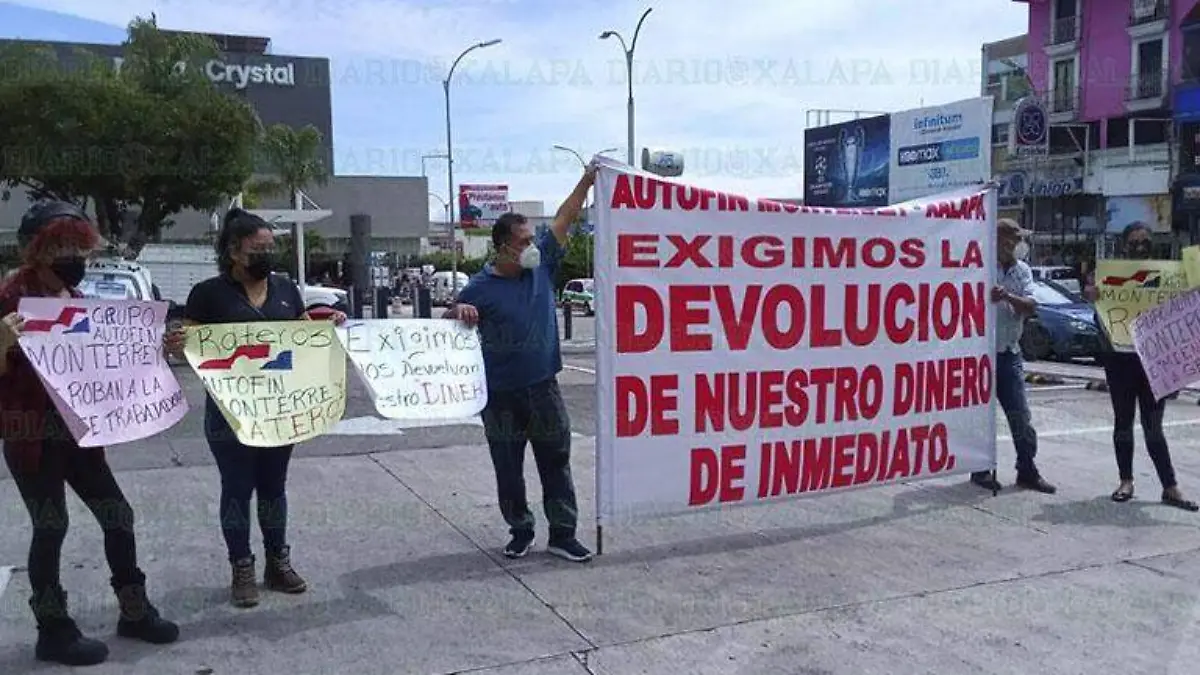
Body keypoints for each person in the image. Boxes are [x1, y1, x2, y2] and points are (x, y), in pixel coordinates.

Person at [0, 201, 179, 666]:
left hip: (79, 433)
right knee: (50, 526)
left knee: (117, 514)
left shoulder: (76, 300)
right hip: (31, 437)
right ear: (36, 251)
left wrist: (152, 346)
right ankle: (53, 629)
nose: (70, 257)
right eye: (59, 247)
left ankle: (134, 610)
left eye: (76, 247)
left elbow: (105, 357)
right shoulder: (10, 296)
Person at [169, 208, 346, 607]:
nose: (267, 254)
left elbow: (301, 331)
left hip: (279, 409)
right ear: (234, 251)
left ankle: (278, 563)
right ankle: (242, 567)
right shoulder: (208, 293)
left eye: (271, 246)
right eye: (257, 248)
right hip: (229, 414)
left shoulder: (284, 288)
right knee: (236, 489)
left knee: (274, 488)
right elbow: (190, 344)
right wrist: (179, 344)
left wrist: (325, 325)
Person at [446, 166, 595, 562]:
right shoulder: (480, 287)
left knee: (556, 464)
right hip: (500, 397)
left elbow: (566, 216)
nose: (532, 246)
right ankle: (520, 529)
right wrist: (457, 309)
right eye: (524, 241)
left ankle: (563, 534)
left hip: (543, 388)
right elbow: (445, 325)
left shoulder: (540, 268)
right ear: (503, 248)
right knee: (508, 470)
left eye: (532, 238)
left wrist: (588, 179)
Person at [1087, 223, 1197, 510]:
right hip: (1120, 361)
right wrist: (1095, 299)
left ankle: (1170, 487)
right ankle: (1126, 480)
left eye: (1144, 241)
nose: (1139, 246)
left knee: (1153, 428)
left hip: (1154, 363)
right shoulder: (1110, 277)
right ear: (1124, 245)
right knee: (1123, 423)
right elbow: (1100, 321)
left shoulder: (1168, 276)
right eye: (1134, 242)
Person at [970, 219, 1057, 494]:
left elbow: (1031, 306)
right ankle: (980, 469)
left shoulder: (1022, 272)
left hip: (1009, 353)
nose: (1011, 245)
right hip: (981, 354)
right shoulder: (980, 267)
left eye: (1015, 240)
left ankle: (1027, 470)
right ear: (994, 239)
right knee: (981, 417)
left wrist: (1006, 296)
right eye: (1006, 239)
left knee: (1020, 416)